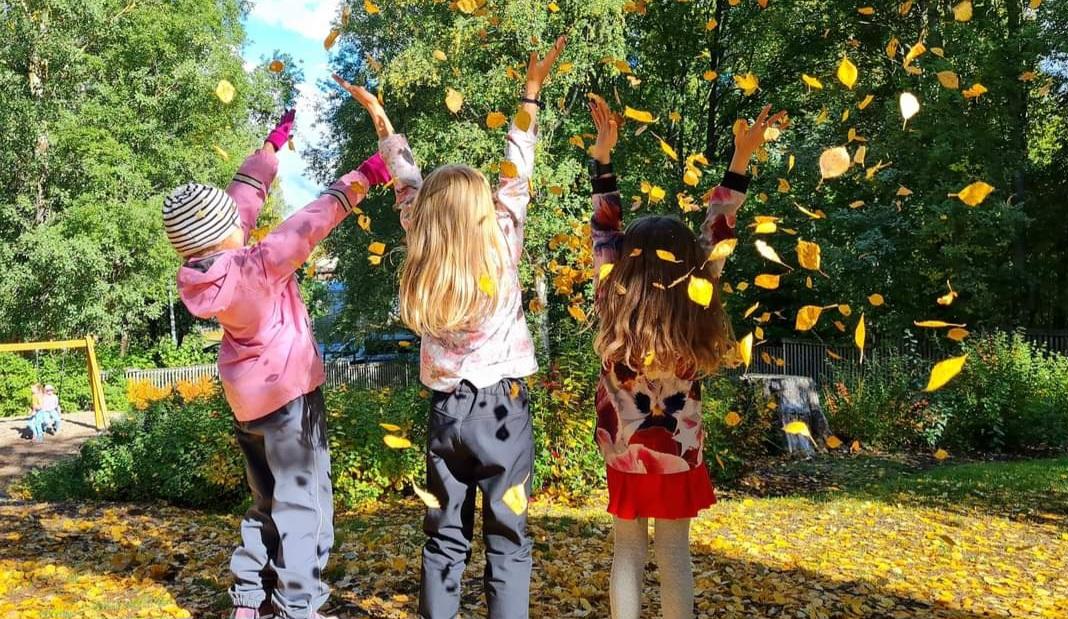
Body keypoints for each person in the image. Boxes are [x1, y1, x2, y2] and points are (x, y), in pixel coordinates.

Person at [333, 36, 565, 619]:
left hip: (446, 416)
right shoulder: (503, 246)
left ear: (429, 217)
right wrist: (530, 91)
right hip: (504, 415)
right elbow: (518, 168)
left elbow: (405, 179)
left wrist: (380, 116)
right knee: (508, 542)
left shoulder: (423, 248)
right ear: (486, 211)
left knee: (443, 540)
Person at [166, 107, 392, 619]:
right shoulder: (256, 266)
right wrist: (362, 178)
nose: (242, 222)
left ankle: (249, 599)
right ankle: (299, 605)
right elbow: (308, 223)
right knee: (304, 507)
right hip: (290, 401)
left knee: (265, 502)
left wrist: (269, 151)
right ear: (226, 235)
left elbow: (240, 204)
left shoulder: (204, 272)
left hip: (249, 405)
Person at [585, 95, 784, 619]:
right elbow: (719, 228)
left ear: (626, 265)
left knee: (627, 551)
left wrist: (603, 159)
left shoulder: (611, 295)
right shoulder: (698, 298)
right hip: (680, 452)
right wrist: (740, 161)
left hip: (623, 450)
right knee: (674, 552)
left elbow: (605, 228)